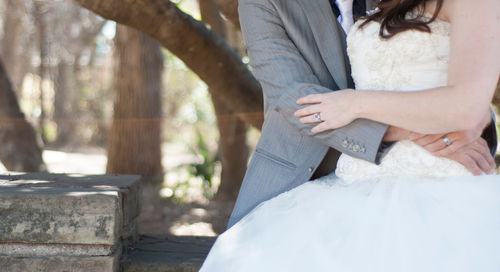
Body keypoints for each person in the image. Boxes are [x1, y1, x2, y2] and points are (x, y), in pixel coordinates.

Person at [199, 0, 500, 271]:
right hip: (314, 176)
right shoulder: (264, 3)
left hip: (441, 176)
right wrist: (418, 128)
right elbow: (293, 100)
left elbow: (465, 89)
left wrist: (470, 115)